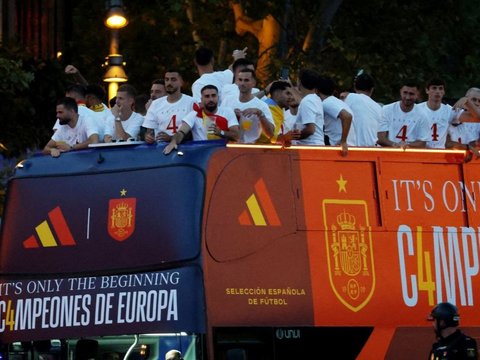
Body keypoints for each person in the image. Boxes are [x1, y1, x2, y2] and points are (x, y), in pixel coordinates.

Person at [163, 85, 239, 154]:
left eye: (213, 96)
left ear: (218, 97)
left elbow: (236, 135)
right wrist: (173, 142)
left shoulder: (227, 111)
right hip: (202, 154)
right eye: (207, 96)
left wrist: (221, 132)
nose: (211, 99)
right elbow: (181, 132)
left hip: (223, 153)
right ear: (201, 99)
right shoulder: (194, 114)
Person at [221, 68, 274, 143]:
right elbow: (218, 126)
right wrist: (232, 116)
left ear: (254, 83)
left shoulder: (261, 105)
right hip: (229, 147)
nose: (242, 83)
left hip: (251, 149)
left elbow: (271, 134)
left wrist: (260, 114)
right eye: (240, 80)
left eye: (246, 80)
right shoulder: (228, 100)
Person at [143, 70, 195, 143]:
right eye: (167, 79)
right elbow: (149, 131)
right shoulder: (155, 104)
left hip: (186, 148)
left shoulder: (191, 102)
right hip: (160, 149)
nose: (169, 83)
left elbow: (194, 131)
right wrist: (148, 137)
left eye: (173, 79)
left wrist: (171, 138)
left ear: (181, 82)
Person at [377, 81, 430, 148]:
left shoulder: (423, 114)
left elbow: (422, 143)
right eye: (405, 93)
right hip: (390, 153)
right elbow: (380, 138)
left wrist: (406, 144)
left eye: (411, 94)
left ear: (417, 94)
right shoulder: (387, 109)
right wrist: (395, 145)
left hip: (411, 155)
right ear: (400, 92)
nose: (407, 97)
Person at [316, 75, 356, 155]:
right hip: (349, 147)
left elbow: (347, 117)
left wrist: (343, 141)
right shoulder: (339, 102)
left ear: (316, 91)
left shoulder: (326, 103)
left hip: (339, 149)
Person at [342, 73, 382, 147]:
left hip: (353, 149)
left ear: (354, 87)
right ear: (372, 89)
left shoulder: (350, 97)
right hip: (373, 150)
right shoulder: (379, 108)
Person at [417, 78, 456, 149]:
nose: (437, 91)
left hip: (440, 152)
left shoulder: (449, 110)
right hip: (421, 151)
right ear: (427, 90)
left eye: (440, 89)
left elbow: (472, 117)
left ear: (444, 92)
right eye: (434, 88)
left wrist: (466, 101)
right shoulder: (417, 109)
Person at [292, 68, 324, 145]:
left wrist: (293, 136)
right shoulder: (315, 98)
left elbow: (310, 129)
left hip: (310, 146)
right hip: (315, 146)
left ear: (299, 82)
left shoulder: (307, 101)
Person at [263, 80, 298, 145]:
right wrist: (284, 138)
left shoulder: (277, 109)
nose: (291, 97)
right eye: (288, 93)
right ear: (277, 93)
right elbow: (268, 139)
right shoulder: (267, 109)